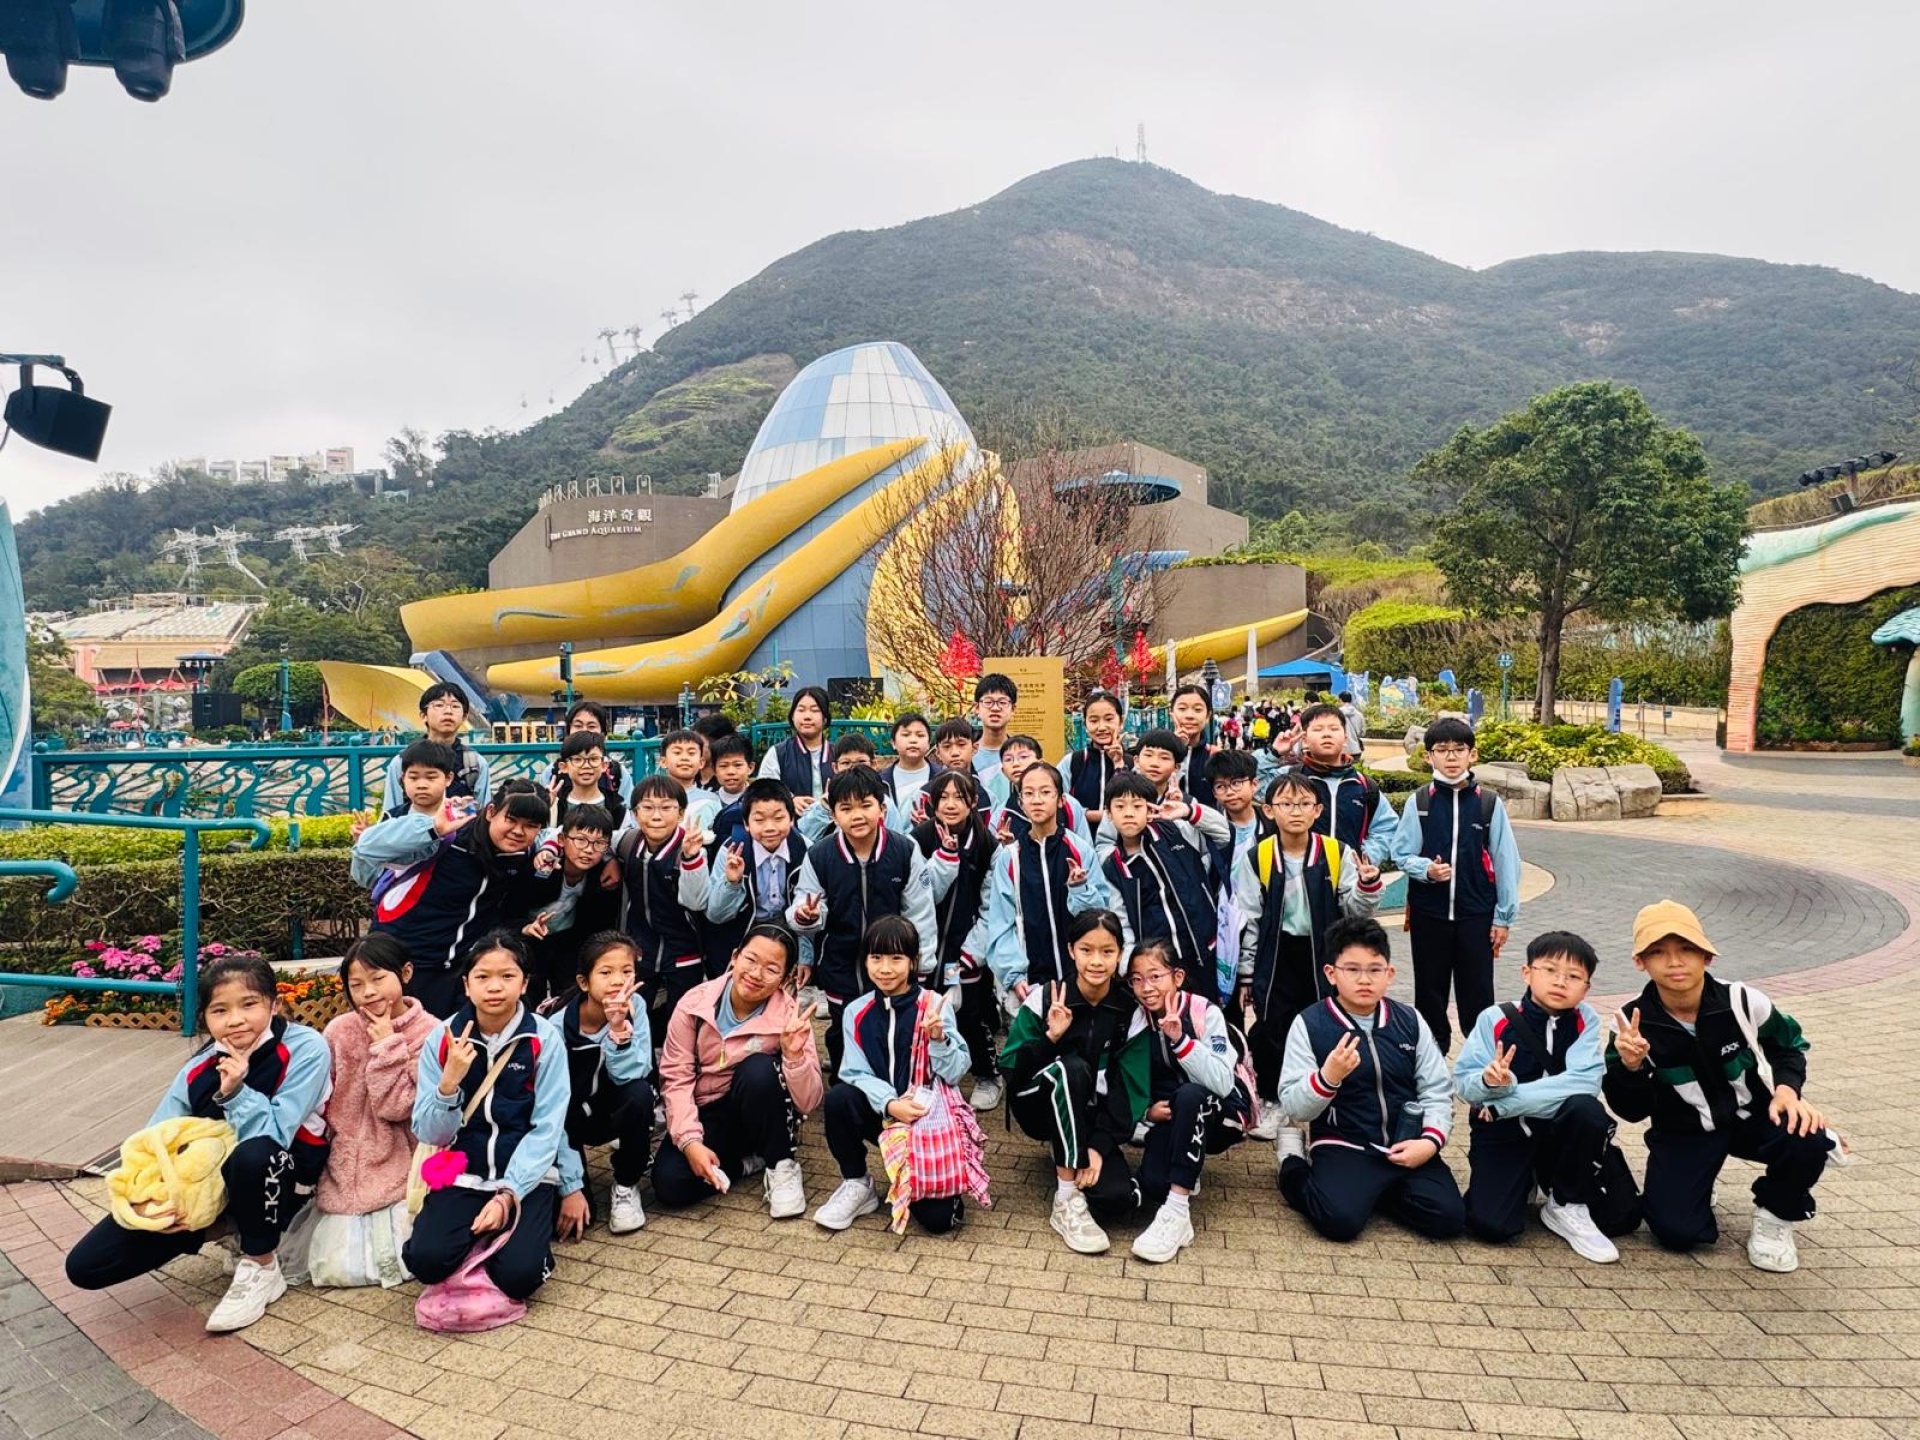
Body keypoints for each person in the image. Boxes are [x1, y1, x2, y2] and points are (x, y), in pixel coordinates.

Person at [64, 953, 330, 1332]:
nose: (235, 1020)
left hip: (285, 1177)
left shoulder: (307, 1048)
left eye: (249, 1004)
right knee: (87, 1265)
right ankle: (223, 1227)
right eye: (220, 1010)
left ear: (274, 1004)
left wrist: (236, 1092)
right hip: (212, 1185)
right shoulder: (197, 1068)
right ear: (205, 1017)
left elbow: (275, 1136)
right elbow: (156, 1139)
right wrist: (146, 1201)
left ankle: (261, 1265)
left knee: (254, 1155)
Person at [1605, 900, 1830, 1272]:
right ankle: (1698, 1182)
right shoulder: (1630, 1023)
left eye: (1686, 949)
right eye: (1658, 952)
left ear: (1706, 956)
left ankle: (1775, 1215)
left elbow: (1788, 1046)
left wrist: (1787, 1092)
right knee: (1676, 1232)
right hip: (1684, 1131)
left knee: (1809, 1135)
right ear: (1640, 962)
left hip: (1752, 1117)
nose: (1674, 962)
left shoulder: (1742, 1001)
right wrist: (1631, 1068)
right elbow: (1630, 1111)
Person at [404, 931, 572, 1308]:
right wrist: (448, 1084)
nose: (495, 987)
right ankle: (482, 1238)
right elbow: (429, 1132)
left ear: (525, 983)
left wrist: (509, 1195)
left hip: (525, 1176)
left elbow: (547, 1128)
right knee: (425, 1262)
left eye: (507, 976)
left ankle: (517, 1241)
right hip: (462, 1171)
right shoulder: (442, 1039)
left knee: (519, 1277)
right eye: (482, 977)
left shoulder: (543, 1039)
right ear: (467, 985)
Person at [1454, 930, 1642, 1262]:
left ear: (1586, 988)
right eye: (1550, 970)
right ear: (1527, 973)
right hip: (1507, 1133)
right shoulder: (1495, 1018)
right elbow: (1464, 1086)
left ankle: (1566, 1203)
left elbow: (1584, 1084)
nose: (1560, 982)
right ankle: (1524, 1177)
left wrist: (1504, 1103)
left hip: (1561, 1137)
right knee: (1491, 1226)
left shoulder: (1584, 1020)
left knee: (1620, 1215)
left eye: (1574, 976)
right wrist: (1488, 1081)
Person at [1276, 917, 1465, 1242]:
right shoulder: (1310, 1024)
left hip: (1407, 1142)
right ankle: (1291, 1163)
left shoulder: (1409, 1020)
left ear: (1389, 973)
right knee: (1339, 1221)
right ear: (1331, 973)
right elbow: (1294, 1105)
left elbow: (1436, 1089)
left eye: (1375, 969)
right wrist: (1327, 1078)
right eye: (1352, 969)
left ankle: (1372, 1192)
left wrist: (1430, 1141)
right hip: (1344, 1145)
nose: (1364, 979)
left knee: (1448, 1219)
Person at [1234, 773, 1383, 1136]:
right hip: (1277, 954)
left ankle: (1329, 1101)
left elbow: (1356, 910)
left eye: (1304, 804)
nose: (1295, 811)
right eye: (1286, 804)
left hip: (1324, 954)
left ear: (1318, 810)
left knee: (1327, 1023)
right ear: (1269, 810)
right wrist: (1247, 974)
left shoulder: (1336, 852)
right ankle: (1273, 1101)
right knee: (1273, 1026)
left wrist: (1367, 885)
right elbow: (1248, 919)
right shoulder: (1258, 856)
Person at [815, 916, 977, 1234]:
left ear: (913, 961)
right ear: (865, 961)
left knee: (938, 1222)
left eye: (896, 958)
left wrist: (939, 1040)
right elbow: (854, 1071)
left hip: (924, 1121)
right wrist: (890, 1104)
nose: (885, 969)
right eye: (876, 957)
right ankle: (857, 1183)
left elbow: (957, 1072)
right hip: (883, 1112)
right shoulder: (855, 1011)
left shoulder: (934, 1006)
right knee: (839, 1099)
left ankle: (933, 1181)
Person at [1001, 910, 1149, 1255]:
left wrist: (1098, 1146)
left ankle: (1070, 1148)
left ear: (1120, 953)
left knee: (1116, 1198)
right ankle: (1065, 1199)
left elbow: (1133, 1089)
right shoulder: (1047, 997)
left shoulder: (1130, 1010)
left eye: (1107, 951)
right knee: (1072, 1069)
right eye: (1086, 950)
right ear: (1071, 950)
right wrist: (1049, 1039)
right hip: (1037, 1106)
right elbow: (1010, 1068)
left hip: (1092, 1117)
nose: (1096, 961)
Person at [653, 923, 825, 1219]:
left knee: (758, 1069)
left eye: (771, 969)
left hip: (759, 1110)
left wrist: (794, 1056)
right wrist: (691, 1142)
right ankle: (747, 1163)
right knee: (670, 1183)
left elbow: (809, 1101)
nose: (756, 974)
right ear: (735, 957)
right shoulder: (695, 1004)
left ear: (785, 978)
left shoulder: (789, 1017)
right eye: (751, 960)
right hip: (707, 1112)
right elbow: (676, 1078)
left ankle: (780, 1164)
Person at [787, 765, 938, 1079]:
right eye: (846, 808)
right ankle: (846, 1089)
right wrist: (807, 915)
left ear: (882, 808)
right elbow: (806, 903)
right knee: (844, 1033)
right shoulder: (820, 855)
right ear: (833, 815)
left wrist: (920, 966)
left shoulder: (904, 850)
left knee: (893, 1033)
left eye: (866, 805)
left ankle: (892, 1091)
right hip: (842, 966)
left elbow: (920, 913)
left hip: (892, 965)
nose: (857, 815)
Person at [306, 935, 436, 1288]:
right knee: (334, 1266)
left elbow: (397, 1107)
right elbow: (323, 1095)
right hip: (346, 1152)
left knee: (393, 1257)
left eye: (378, 978)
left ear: (405, 973)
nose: (368, 992)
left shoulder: (430, 1032)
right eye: (356, 984)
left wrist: (386, 1045)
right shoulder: (340, 1030)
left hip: (400, 1154)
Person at [357, 778, 547, 1017]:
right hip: (406, 961)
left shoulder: (522, 854)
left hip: (461, 969)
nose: (518, 831)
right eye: (511, 820)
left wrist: (522, 928)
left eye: (530, 825)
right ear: (491, 812)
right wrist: (434, 828)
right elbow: (366, 846)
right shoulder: (450, 834)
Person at [1389, 717, 1522, 1053]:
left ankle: (1481, 1060)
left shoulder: (1488, 803)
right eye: (1442, 750)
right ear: (1428, 756)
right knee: (1429, 991)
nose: (1451, 757)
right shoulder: (1420, 802)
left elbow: (1506, 861)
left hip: (1476, 914)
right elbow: (1401, 852)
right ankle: (1432, 1058)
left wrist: (1503, 917)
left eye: (1458, 749)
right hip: (1429, 914)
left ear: (1472, 755)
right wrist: (1425, 869)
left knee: (1477, 991)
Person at [1124, 939, 1245, 1263]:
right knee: (1153, 1184)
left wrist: (1181, 1041)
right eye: (1137, 979)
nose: (1146, 987)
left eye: (1155, 976)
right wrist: (1146, 1111)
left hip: (1219, 1115)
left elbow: (1222, 1082)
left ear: (1177, 977)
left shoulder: (1204, 1012)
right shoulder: (1137, 1021)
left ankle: (1178, 1211)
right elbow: (1128, 1081)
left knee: (1190, 1095)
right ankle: (1186, 1172)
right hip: (1169, 1118)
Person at [548, 932, 653, 1237]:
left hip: (612, 1110)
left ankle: (626, 1184)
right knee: (576, 1222)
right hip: (569, 1121)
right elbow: (550, 1109)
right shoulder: (556, 1028)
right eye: (606, 972)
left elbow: (635, 1072)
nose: (618, 981)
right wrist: (571, 1186)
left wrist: (618, 1030)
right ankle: (573, 1176)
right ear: (584, 982)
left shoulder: (636, 1006)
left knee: (640, 1094)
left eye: (627, 971)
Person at [981, 762, 1107, 1002]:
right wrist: (1014, 975)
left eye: (1045, 792)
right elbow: (1001, 922)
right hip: (1031, 985)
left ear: (1060, 800)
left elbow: (1101, 916)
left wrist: (1079, 889)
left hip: (1081, 980)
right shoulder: (1010, 858)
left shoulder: (1079, 850)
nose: (1037, 800)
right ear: (1021, 803)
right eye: (1029, 793)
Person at [1099, 771, 1230, 1002]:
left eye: (1137, 806)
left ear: (1149, 809)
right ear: (1109, 814)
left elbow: (1224, 834)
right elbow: (1122, 922)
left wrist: (1189, 811)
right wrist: (1133, 967)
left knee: (1206, 1014)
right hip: (1158, 969)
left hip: (1203, 952)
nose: (1128, 813)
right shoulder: (1113, 867)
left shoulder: (1175, 832)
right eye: (1120, 807)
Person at [914, 770, 1001, 1109]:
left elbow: (992, 907)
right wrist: (945, 857)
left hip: (962, 953)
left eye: (959, 797)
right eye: (944, 798)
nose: (951, 805)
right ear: (932, 802)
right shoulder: (918, 839)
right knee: (923, 1012)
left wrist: (971, 953)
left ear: (973, 802)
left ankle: (987, 1075)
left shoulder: (986, 845)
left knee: (969, 1013)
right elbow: (920, 896)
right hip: (925, 948)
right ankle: (924, 1075)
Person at [614, 774, 711, 1027]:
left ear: (681, 814)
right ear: (635, 813)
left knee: (682, 1023)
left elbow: (696, 902)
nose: (656, 816)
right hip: (640, 950)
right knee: (634, 1018)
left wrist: (691, 858)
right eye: (647, 807)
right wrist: (608, 860)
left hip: (685, 953)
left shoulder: (690, 847)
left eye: (666, 808)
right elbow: (598, 839)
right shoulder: (627, 842)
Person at [694, 777, 810, 977]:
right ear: (746, 824)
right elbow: (715, 915)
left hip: (787, 935)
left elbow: (807, 907)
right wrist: (732, 883)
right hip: (741, 936)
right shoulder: (731, 851)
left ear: (792, 819)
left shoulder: (805, 849)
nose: (770, 827)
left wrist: (805, 957)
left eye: (778, 818)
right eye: (759, 820)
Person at [1260, 702, 1395, 867]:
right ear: (1304, 740)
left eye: (1334, 729)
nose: (1326, 734)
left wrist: (1363, 858)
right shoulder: (1289, 777)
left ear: (1345, 739)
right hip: (1296, 874)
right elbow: (1253, 785)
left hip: (1348, 876)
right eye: (1318, 729)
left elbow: (1386, 828)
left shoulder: (1363, 785)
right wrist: (1273, 753)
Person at [518, 803, 623, 1006]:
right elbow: (511, 909)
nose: (588, 850)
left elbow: (600, 924)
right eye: (580, 840)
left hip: (569, 944)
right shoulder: (543, 867)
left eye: (599, 843)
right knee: (529, 996)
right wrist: (524, 928)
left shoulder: (603, 876)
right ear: (562, 840)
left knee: (568, 997)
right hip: (528, 941)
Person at [383, 682, 489, 810]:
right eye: (439, 705)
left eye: (455, 706)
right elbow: (391, 813)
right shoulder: (402, 761)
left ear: (464, 717)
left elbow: (484, 814)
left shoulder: (475, 764)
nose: (448, 711)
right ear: (424, 716)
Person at [757, 685, 833, 815]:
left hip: (834, 823)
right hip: (791, 823)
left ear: (825, 718)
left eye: (815, 710)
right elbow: (763, 790)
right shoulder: (778, 753)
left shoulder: (838, 754)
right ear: (792, 716)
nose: (807, 716)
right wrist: (789, 800)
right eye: (801, 710)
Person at [1063, 689, 1128, 829]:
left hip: (1123, 840)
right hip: (1080, 839)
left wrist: (1119, 763)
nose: (1101, 727)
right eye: (1093, 721)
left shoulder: (1133, 763)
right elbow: (1057, 802)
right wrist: (1091, 815)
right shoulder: (1073, 762)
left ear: (1121, 722)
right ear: (1085, 725)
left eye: (1109, 719)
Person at [548, 730, 628, 836]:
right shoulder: (554, 807)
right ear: (564, 767)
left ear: (604, 765)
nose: (586, 766)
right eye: (577, 759)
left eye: (593, 759)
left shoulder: (617, 809)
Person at [931, 716, 1008, 813]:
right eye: (947, 746)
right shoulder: (927, 792)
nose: (955, 752)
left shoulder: (988, 797)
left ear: (974, 748)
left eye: (961, 745)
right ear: (938, 753)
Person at [375, 739, 457, 822]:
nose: (421, 785)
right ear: (403, 779)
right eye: (413, 778)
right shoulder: (391, 819)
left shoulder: (460, 819)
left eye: (431, 778)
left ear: (448, 778)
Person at [656, 729, 719, 834]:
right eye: (677, 752)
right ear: (663, 761)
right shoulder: (652, 797)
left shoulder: (711, 800)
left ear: (701, 762)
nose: (685, 758)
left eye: (691, 753)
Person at [1168, 683, 1218, 810]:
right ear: (1171, 713)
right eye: (1182, 709)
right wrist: (1175, 748)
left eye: (1197, 710)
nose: (1189, 716)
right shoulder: (1157, 753)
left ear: (1208, 716)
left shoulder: (1216, 756)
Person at [883, 712, 937, 816]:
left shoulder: (941, 776)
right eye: (906, 735)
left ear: (928, 744)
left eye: (920, 735)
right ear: (893, 743)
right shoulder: (882, 781)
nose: (913, 740)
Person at [972, 673, 1018, 779]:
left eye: (1002, 702)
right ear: (977, 708)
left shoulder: (1022, 755)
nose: (995, 708)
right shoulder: (966, 754)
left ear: (1013, 709)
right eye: (988, 702)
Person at [1336, 691, 1366, 760]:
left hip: (1341, 750)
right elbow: (1363, 733)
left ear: (1340, 700)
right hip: (1356, 749)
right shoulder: (1359, 715)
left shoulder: (1336, 714)